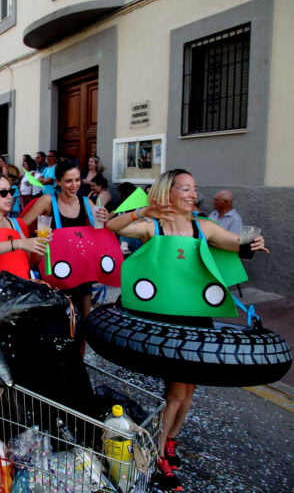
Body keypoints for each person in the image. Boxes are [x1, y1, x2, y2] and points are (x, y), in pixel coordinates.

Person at [105, 169, 268, 491]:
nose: (193, 194)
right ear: (169, 192)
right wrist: (142, 210)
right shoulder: (153, 226)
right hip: (168, 320)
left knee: (188, 391)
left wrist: (253, 244)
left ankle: (168, 443)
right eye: (186, 188)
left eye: (194, 189)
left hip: (197, 316)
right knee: (177, 391)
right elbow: (111, 226)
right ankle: (156, 456)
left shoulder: (202, 227)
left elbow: (238, 245)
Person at [23, 161, 102, 320]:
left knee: (84, 321)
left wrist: (103, 220)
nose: (74, 185)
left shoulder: (87, 203)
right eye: (68, 181)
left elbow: (99, 234)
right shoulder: (47, 201)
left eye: (77, 180)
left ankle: (80, 345)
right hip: (54, 270)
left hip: (82, 269)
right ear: (58, 181)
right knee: (58, 321)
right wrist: (34, 243)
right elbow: (21, 225)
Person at [0, 172, 48, 280]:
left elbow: (32, 260)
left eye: (11, 191)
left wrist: (41, 244)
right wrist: (18, 243)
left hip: (21, 286)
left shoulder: (16, 224)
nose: (10, 196)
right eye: (3, 193)